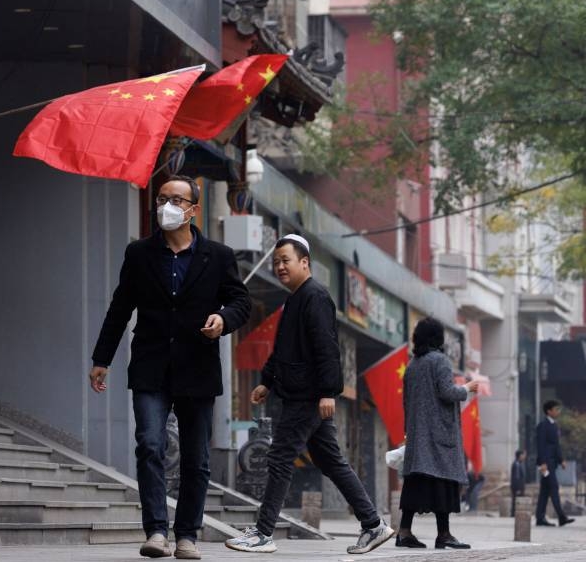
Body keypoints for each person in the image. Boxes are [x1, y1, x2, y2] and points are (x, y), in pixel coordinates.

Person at [90, 175, 251, 560]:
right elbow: (120, 307)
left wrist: (222, 319)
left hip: (197, 367)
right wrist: (102, 359)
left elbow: (241, 302)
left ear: (193, 209)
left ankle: (187, 535)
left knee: (197, 457)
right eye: (161, 199)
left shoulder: (219, 256)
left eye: (176, 200)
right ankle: (157, 531)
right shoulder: (140, 254)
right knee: (149, 444)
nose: (166, 206)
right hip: (151, 366)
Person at [225, 235, 394, 555]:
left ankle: (262, 533)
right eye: (275, 262)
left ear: (305, 263)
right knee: (331, 460)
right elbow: (284, 349)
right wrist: (267, 381)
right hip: (303, 393)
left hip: (308, 396)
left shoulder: (314, 296)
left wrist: (328, 392)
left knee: (279, 458)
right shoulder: (296, 298)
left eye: (285, 260)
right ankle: (373, 524)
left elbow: (326, 349)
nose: (279, 267)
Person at [394, 317, 479, 550]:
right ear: (438, 338)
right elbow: (447, 392)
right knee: (443, 481)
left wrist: (407, 432)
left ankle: (404, 532)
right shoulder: (440, 360)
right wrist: (466, 388)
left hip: (418, 435)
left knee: (416, 483)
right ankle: (444, 534)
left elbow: (406, 400)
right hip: (438, 434)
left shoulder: (413, 364)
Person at [535, 399, 575, 527]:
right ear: (549, 411)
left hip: (553, 462)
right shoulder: (543, 425)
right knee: (554, 488)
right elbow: (540, 445)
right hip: (546, 464)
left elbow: (556, 445)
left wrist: (561, 459)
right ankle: (562, 517)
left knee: (545, 491)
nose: (558, 411)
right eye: (556, 409)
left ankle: (540, 518)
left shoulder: (554, 425)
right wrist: (542, 463)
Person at [511, 449, 527, 517]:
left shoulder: (520, 463)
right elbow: (516, 477)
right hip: (517, 486)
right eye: (523, 455)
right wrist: (518, 488)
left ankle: (515, 514)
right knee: (517, 501)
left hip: (519, 486)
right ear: (520, 455)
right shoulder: (517, 464)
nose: (525, 456)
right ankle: (515, 514)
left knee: (517, 501)